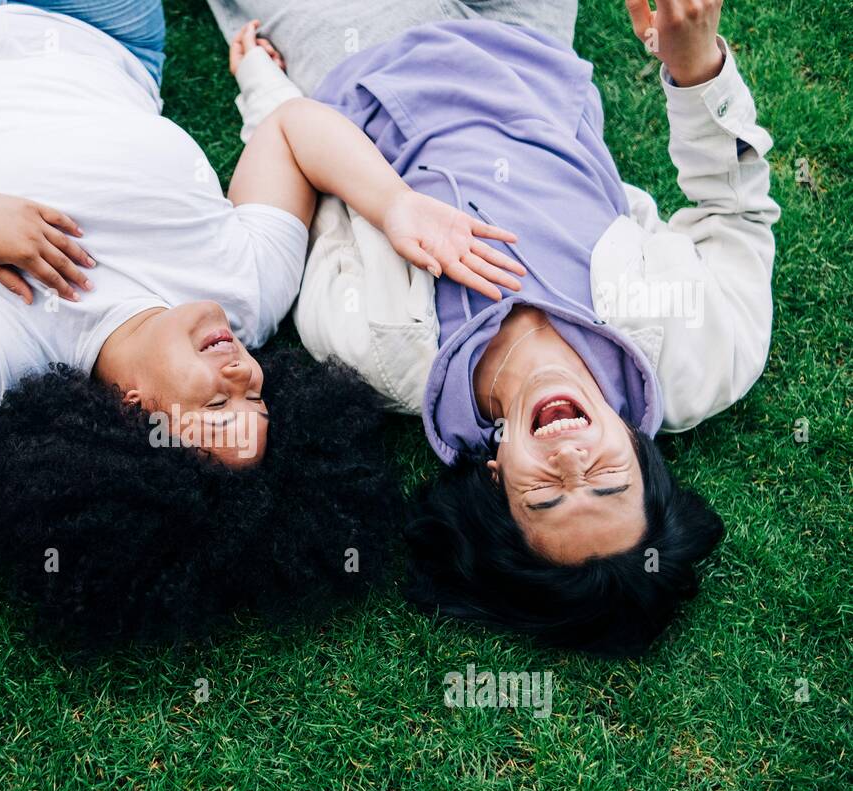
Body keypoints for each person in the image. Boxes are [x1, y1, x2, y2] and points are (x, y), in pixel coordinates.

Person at [0, 0, 521, 642]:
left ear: (136, 415)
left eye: (218, 400)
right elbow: (291, 131)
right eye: (257, 396)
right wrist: (394, 204)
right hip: (105, 28)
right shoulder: (250, 292)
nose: (245, 371)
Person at [214, 0, 776, 652]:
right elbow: (735, 217)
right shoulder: (704, 358)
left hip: (364, 58)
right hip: (531, 50)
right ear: (642, 460)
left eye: (546, 497)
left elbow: (303, 181)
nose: (572, 460)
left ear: (495, 477)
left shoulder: (374, 347)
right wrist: (696, 68)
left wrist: (266, 89)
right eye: (610, 482)